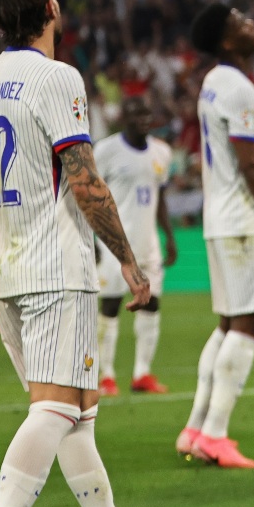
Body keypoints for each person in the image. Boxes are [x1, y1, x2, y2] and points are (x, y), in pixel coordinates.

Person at [0, 0, 158, 507]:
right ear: (50, 6)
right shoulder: (57, 78)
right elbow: (83, 176)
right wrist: (127, 260)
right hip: (56, 267)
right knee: (54, 410)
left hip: (11, 265)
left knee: (77, 410)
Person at [174, 3, 254, 469]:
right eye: (240, 21)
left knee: (230, 322)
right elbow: (250, 165)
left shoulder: (213, 82)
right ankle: (215, 433)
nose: (253, 22)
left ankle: (195, 427)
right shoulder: (241, 90)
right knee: (250, 322)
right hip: (246, 222)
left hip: (221, 217)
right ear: (229, 41)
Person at [94, 96, 177, 397]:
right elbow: (87, 194)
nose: (143, 119)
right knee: (111, 305)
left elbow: (160, 197)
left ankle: (142, 372)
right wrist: (93, 239)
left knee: (152, 304)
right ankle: (107, 375)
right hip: (114, 244)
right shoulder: (106, 151)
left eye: (146, 113)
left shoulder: (162, 152)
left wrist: (169, 235)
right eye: (136, 113)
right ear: (123, 118)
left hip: (148, 243)